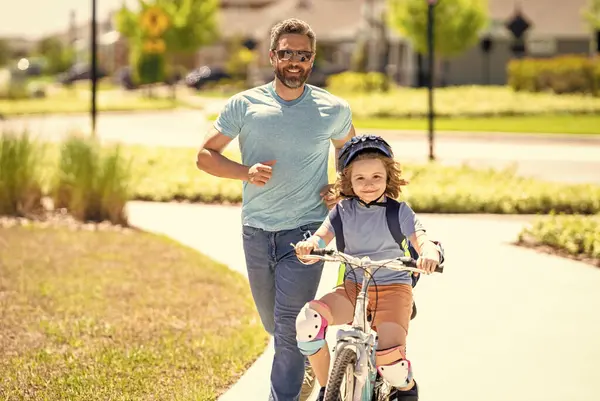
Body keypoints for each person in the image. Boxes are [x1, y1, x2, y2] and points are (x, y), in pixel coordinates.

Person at [195, 18, 356, 401]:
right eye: (287, 53)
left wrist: (340, 187)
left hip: (308, 232)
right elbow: (205, 156)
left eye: (303, 54)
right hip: (256, 230)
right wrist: (244, 172)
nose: (295, 61)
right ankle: (302, 365)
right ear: (273, 57)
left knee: (287, 326)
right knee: (273, 322)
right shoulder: (245, 104)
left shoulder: (332, 109)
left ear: (312, 60)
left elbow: (351, 155)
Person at [293, 135, 443, 401]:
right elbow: (320, 238)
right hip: (352, 289)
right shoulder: (342, 211)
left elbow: (421, 239)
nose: (369, 184)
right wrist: (309, 248)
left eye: (376, 176)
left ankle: (408, 390)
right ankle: (330, 389)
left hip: (393, 290)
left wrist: (429, 254)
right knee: (308, 322)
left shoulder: (399, 212)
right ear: (348, 180)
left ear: (389, 177)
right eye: (360, 178)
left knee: (392, 367)